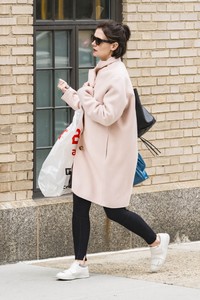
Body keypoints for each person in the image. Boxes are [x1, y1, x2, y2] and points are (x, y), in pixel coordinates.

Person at [56, 20, 170, 281]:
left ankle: (156, 241)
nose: (92, 44)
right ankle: (80, 263)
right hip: (91, 151)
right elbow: (89, 107)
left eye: (98, 41)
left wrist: (83, 96)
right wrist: (71, 93)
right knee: (80, 204)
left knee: (114, 210)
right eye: (93, 39)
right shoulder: (100, 70)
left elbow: (107, 116)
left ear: (114, 46)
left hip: (111, 156)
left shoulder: (118, 76)